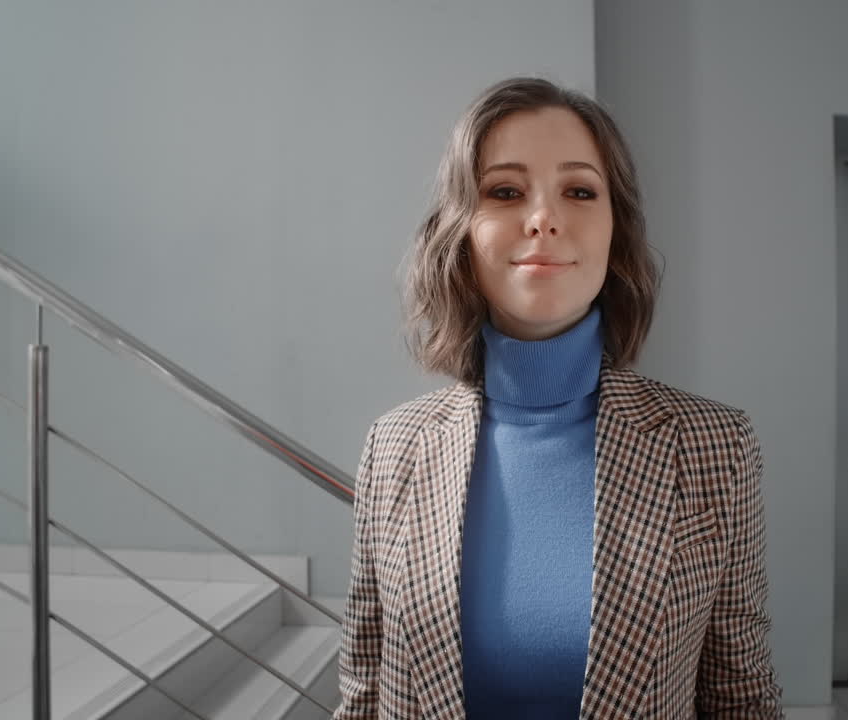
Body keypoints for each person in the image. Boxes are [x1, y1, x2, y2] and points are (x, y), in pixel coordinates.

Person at [335, 76, 783, 719]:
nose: (543, 217)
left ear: (615, 230)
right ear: (461, 233)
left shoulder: (714, 446)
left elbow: (740, 693)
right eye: (505, 191)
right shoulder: (394, 446)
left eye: (579, 191)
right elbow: (364, 687)